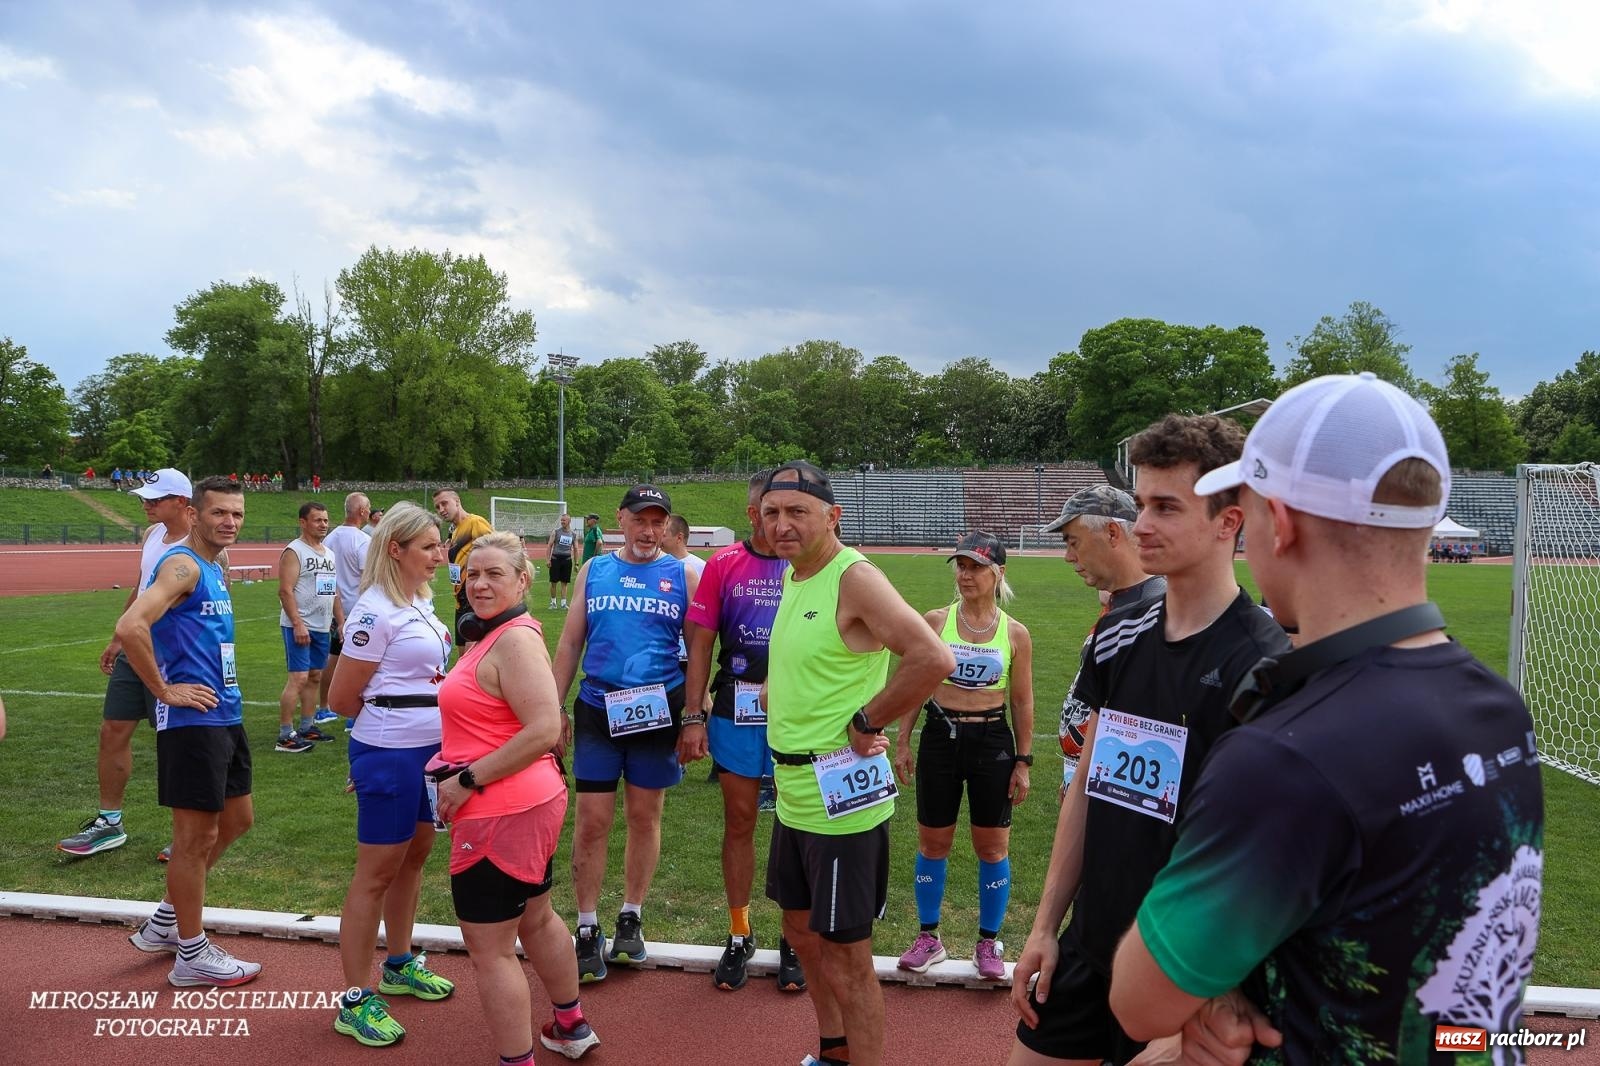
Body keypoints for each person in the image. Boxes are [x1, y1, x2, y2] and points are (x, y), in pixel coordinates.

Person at [1109, 373, 1546, 1062]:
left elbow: (1139, 1003)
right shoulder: (1500, 709)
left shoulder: (1287, 755)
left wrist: (1219, 997)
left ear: (1278, 523)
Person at [1009, 414, 1292, 1066]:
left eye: (1166, 507)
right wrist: (1047, 927)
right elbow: (1088, 782)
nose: (1141, 527)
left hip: (1181, 971)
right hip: (1088, 947)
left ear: (1230, 521)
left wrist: (1212, 995)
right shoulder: (1118, 638)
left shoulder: (1266, 666)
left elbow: (1267, 860)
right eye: (1141, 505)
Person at [760, 461, 954, 1066]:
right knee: (799, 931)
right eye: (772, 513)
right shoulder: (795, 576)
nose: (783, 525)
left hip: (839, 797)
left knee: (847, 954)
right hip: (793, 791)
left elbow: (932, 657)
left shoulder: (853, 575)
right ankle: (833, 1051)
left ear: (832, 516)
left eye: (797, 512)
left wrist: (868, 720)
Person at [434, 532, 600, 1061]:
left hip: (501, 809)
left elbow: (543, 728)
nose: (479, 584)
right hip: (522, 804)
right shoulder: (495, 635)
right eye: (471, 575)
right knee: (536, 917)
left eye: (494, 575)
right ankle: (570, 1025)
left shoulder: (514, 640)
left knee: (490, 950)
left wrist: (465, 779)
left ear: (523, 580)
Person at [552, 485, 698, 983]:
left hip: (657, 710)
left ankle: (631, 915)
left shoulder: (684, 574)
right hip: (597, 707)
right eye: (640, 520)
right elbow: (572, 641)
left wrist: (694, 714)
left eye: (658, 522)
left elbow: (700, 651)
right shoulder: (595, 570)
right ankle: (588, 924)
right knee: (591, 820)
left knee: (644, 816)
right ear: (621, 519)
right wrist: (553, 707)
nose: (649, 530)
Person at [326, 502, 456, 1047]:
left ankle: (399, 963)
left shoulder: (421, 600)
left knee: (414, 859)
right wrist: (380, 750)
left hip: (430, 751)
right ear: (396, 550)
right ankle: (355, 998)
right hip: (391, 753)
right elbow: (339, 697)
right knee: (376, 872)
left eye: (438, 544)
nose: (439, 555)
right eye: (428, 547)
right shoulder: (372, 611)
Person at [123, 476, 260, 986]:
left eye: (238, 514)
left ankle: (165, 919)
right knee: (195, 837)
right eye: (220, 513)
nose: (229, 522)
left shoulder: (213, 566)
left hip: (224, 713)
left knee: (237, 819)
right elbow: (131, 626)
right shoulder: (181, 564)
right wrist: (163, 689)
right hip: (190, 720)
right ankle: (191, 953)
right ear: (196, 515)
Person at [681, 472, 806, 993]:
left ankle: (792, 939)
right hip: (736, 704)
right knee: (740, 821)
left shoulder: (811, 563)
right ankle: (739, 932)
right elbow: (701, 644)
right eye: (765, 511)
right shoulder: (724, 564)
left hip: (800, 712)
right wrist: (692, 716)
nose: (775, 522)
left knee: (797, 828)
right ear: (752, 511)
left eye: (786, 512)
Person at [893, 531, 1034, 981]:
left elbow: (1023, 701)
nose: (966, 574)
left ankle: (988, 942)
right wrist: (902, 740)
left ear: (999, 573)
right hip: (940, 739)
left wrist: (1024, 761)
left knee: (992, 847)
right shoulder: (935, 621)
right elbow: (913, 683)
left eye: (976, 567)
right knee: (933, 843)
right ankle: (928, 938)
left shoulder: (1015, 633)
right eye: (961, 566)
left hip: (993, 743)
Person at [59, 469, 194, 859]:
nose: (146, 504)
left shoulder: (203, 545)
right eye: (145, 497)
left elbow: (215, 607)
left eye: (156, 498)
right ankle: (110, 823)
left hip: (176, 655)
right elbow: (141, 586)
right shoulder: (152, 535)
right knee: (113, 729)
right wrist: (119, 637)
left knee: (176, 742)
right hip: (137, 646)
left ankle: (187, 833)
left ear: (183, 502)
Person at [1045, 485, 1166, 796]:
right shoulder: (1121, 602)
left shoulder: (1156, 609)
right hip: (1092, 774)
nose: (1069, 557)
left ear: (1113, 534)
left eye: (1074, 542)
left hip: (1118, 787)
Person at [275, 501, 341, 753]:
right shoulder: (294, 551)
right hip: (299, 626)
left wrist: (340, 621)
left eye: (325, 520)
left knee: (314, 676)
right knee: (299, 678)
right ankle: (285, 734)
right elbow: (285, 590)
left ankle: (307, 726)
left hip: (322, 626)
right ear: (303, 522)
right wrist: (297, 624)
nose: (323, 524)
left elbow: (332, 590)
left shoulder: (329, 553)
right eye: (317, 520)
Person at [316, 492, 372, 730]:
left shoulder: (329, 538)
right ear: (361, 511)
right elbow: (367, 578)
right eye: (368, 508)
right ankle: (354, 713)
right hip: (357, 609)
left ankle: (322, 706)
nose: (369, 512)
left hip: (333, 606)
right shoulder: (361, 541)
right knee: (362, 660)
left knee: (334, 656)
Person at [434, 488, 494, 647]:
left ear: (457, 502)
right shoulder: (455, 531)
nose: (441, 510)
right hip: (460, 598)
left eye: (444, 504)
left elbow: (496, 552)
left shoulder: (475, 522)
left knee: (471, 655)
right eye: (437, 507)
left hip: (472, 596)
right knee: (462, 655)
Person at [546, 513, 579, 610]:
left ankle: (564, 604)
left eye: (564, 520)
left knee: (564, 582)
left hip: (567, 560)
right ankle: (553, 603)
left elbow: (576, 548)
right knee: (553, 582)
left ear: (569, 521)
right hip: (555, 559)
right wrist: (548, 559)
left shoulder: (573, 534)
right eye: (561, 520)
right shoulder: (556, 532)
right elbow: (549, 546)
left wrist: (576, 563)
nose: (562, 522)